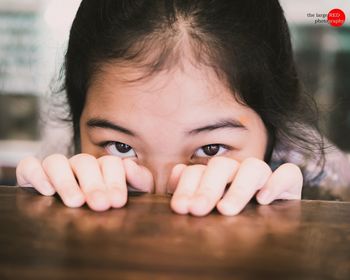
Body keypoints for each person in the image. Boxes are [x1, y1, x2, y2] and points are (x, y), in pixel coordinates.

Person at [16, 0, 350, 216]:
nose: (162, 192)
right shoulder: (65, 160)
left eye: (211, 148)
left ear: (274, 134)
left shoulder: (312, 166)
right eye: (121, 147)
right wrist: (37, 204)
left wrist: (302, 215)